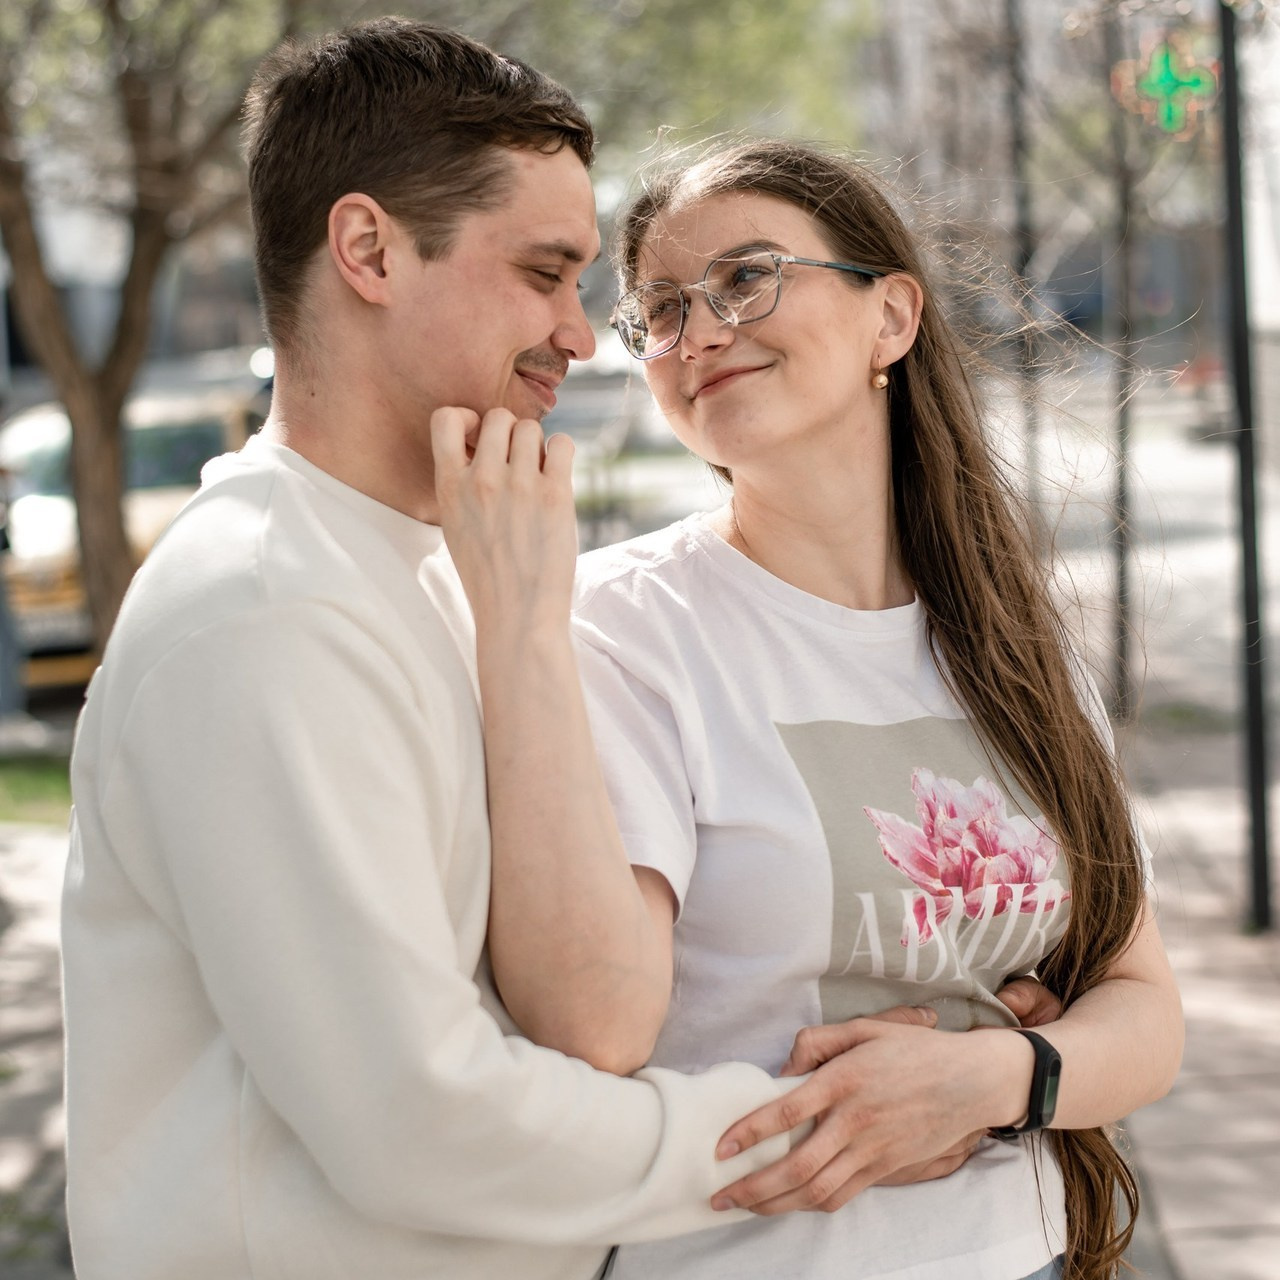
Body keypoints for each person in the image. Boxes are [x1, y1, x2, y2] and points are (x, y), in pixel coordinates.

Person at [59, 26, 845, 1280]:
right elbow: (420, 1118)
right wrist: (822, 1129)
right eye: (542, 273)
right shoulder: (268, 613)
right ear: (367, 249)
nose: (580, 336)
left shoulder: (433, 564)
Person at [432, 139, 1184, 1280]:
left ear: (889, 317)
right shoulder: (622, 630)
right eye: (662, 311)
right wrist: (519, 632)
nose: (700, 332)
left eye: (745, 278)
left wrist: (990, 1075)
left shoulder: (1011, 643)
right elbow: (590, 1024)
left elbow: (1142, 1012)